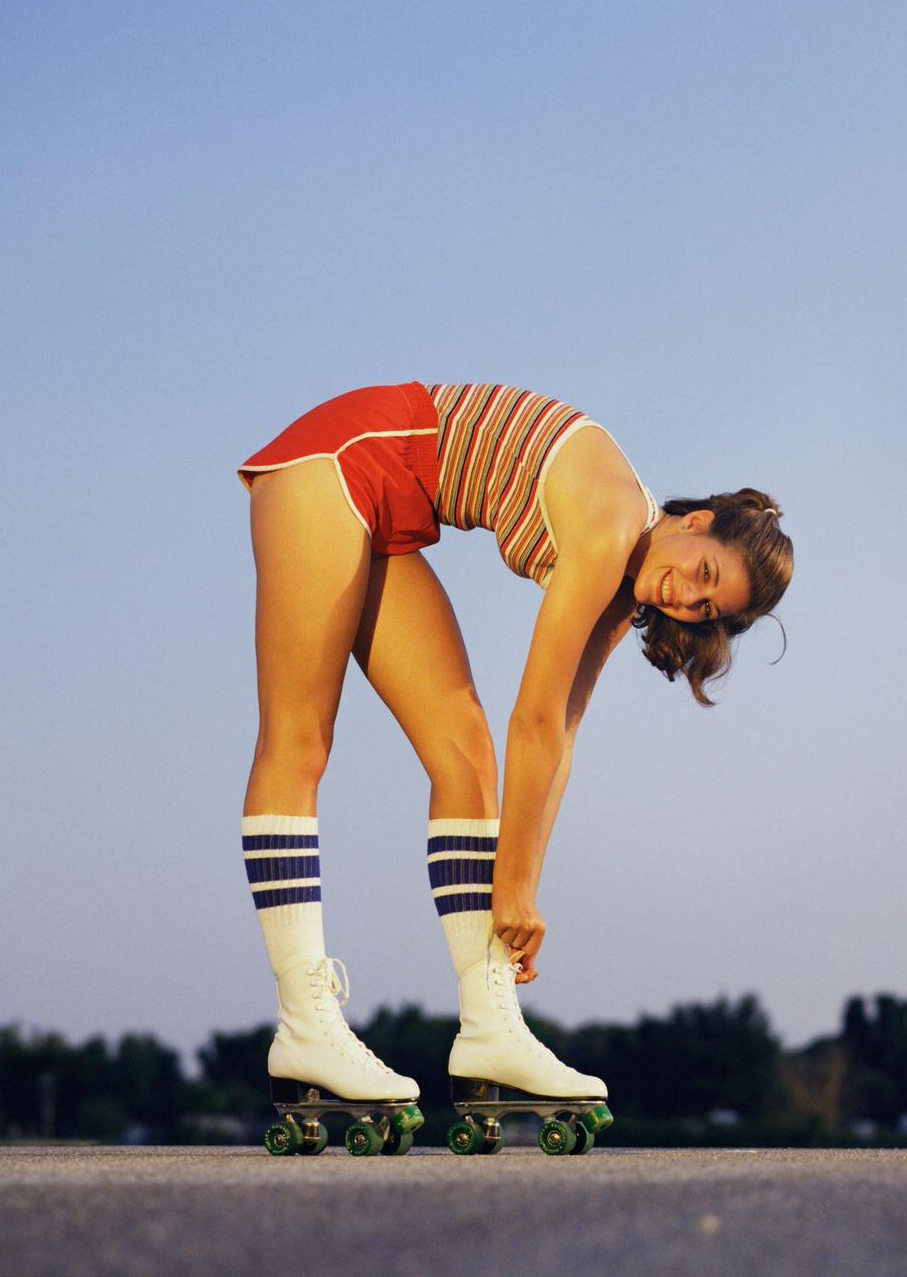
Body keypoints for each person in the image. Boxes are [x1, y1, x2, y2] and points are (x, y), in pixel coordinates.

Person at [236, 381, 793, 1116]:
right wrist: (514, 887)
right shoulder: (609, 523)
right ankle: (305, 1025)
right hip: (333, 462)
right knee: (300, 738)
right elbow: (531, 715)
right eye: (704, 573)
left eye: (704, 607)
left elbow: (560, 733)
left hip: (390, 509)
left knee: (465, 756)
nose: (687, 597)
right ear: (696, 522)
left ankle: (490, 1024)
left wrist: (523, 890)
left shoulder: (625, 590)